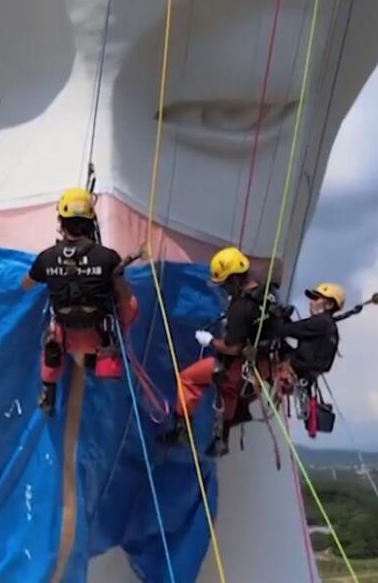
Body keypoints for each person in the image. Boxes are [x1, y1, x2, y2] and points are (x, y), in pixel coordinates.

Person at [21, 187, 139, 416]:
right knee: (131, 305)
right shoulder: (107, 257)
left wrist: (53, 272)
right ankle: (105, 358)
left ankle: (48, 388)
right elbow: (125, 298)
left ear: (61, 221)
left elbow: (25, 285)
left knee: (52, 335)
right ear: (90, 221)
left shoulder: (47, 257)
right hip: (97, 336)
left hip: (64, 337)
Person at [164, 246, 281, 456]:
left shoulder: (240, 306)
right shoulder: (267, 295)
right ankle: (221, 441)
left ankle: (180, 429)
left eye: (225, 284)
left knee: (187, 379)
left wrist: (209, 341)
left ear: (234, 280)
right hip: (262, 367)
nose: (224, 289)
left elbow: (232, 348)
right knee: (229, 393)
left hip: (239, 364)